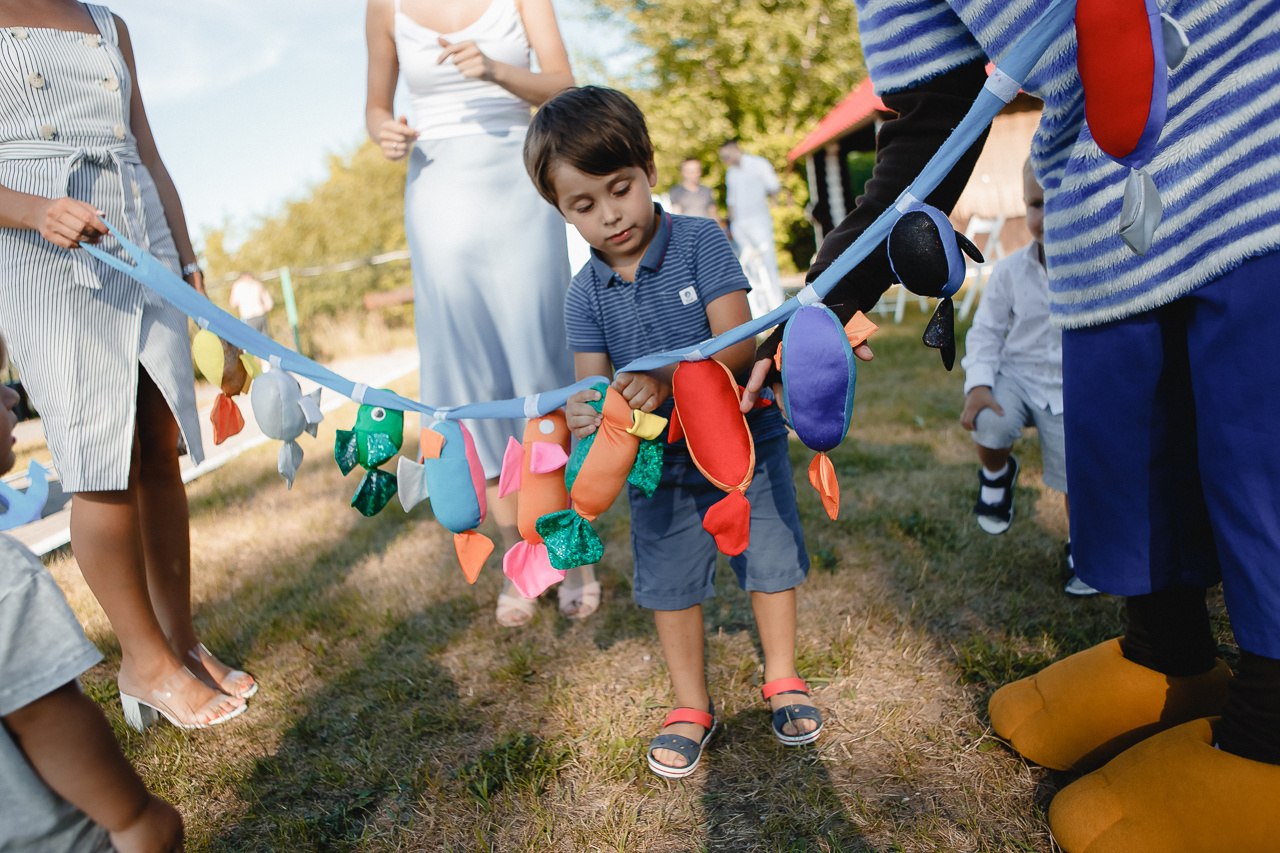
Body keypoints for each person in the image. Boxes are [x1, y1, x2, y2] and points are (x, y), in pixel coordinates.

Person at [743, 1, 1280, 849]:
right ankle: (1166, 653)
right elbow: (935, 115)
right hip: (1107, 229)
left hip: (1258, 149)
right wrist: (826, 292)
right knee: (1133, 460)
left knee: (1265, 461)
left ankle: (1270, 731)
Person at [525, 86, 822, 780]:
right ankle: (691, 703)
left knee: (770, 555)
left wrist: (664, 381)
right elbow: (593, 384)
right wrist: (586, 412)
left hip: (741, 443)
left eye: (619, 189)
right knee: (666, 580)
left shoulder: (699, 241)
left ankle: (782, 675)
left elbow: (738, 345)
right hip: (654, 461)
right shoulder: (583, 293)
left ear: (649, 168)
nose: (610, 215)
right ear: (562, 212)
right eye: (584, 206)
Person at [0, 1, 250, 731]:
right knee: (99, 457)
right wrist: (30, 209)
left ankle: (181, 641)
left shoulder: (107, 22)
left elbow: (146, 151)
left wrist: (192, 266)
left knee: (158, 443)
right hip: (43, 246)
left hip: (139, 233)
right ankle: (143, 664)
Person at [365, 0, 598, 627]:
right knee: (471, 379)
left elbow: (562, 85)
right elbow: (375, 107)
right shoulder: (383, 7)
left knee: (539, 365)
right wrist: (384, 130)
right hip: (437, 189)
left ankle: (574, 557)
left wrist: (495, 70)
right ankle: (521, 566)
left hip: (518, 179)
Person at [0, 337, 184, 853]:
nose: (14, 397)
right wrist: (133, 817)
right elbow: (43, 714)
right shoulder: (4, 578)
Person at [959, 158, 1094, 596]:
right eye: (1036, 204)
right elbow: (987, 331)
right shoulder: (1011, 272)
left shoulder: (1095, 264)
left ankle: (1084, 549)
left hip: (1072, 385)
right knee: (991, 422)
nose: (1046, 217)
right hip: (1018, 375)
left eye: (1059, 203)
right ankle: (997, 474)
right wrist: (979, 384)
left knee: (1077, 474)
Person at [718, 139, 784, 318]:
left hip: (759, 223)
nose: (725, 159)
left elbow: (774, 187)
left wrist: (776, 197)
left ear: (734, 149)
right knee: (749, 268)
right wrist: (732, 227)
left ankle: (777, 305)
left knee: (768, 263)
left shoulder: (759, 164)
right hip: (740, 225)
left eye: (725, 155)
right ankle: (759, 310)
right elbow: (731, 201)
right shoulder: (730, 173)